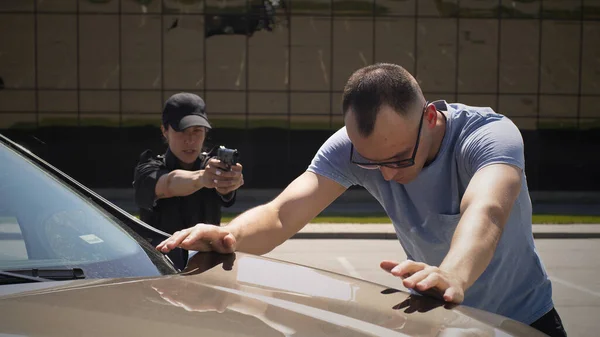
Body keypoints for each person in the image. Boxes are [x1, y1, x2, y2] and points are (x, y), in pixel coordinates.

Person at [155, 64, 566, 336]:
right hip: (443, 321)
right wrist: (230, 236)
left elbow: (488, 210)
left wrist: (454, 275)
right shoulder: (351, 149)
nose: (387, 174)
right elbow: (283, 214)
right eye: (372, 163)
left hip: (525, 321)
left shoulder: (489, 135)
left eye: (399, 158)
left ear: (431, 118)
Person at [133, 92, 244, 270]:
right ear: (165, 131)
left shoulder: (213, 166)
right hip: (158, 267)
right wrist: (203, 178)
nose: (190, 140)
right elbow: (168, 184)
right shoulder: (148, 167)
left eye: (197, 131)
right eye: (181, 131)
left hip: (206, 266)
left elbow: (225, 192)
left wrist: (228, 183)